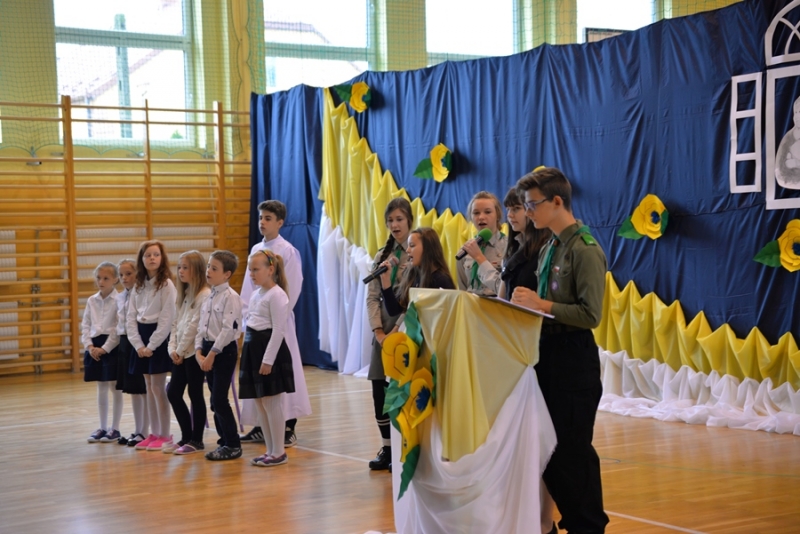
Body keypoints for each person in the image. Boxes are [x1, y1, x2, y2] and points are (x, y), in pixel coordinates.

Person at [511, 167, 609, 533]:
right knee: (547, 449)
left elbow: (591, 314)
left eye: (532, 204)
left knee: (572, 451)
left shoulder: (585, 249)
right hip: (546, 353)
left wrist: (541, 305)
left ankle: (588, 526)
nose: (527, 211)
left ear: (557, 201)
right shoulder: (550, 246)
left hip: (573, 356)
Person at [498, 186, 557, 534]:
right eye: (510, 209)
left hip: (536, 350)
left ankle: (545, 520)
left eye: (519, 208)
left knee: (541, 442)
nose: (514, 215)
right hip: (514, 350)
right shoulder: (515, 249)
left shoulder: (542, 252)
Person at [239, 200, 311, 448]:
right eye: (261, 217)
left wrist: (273, 316)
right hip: (256, 324)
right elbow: (248, 287)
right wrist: (247, 317)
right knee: (258, 376)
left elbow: (292, 286)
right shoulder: (256, 249)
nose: (262, 222)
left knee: (279, 374)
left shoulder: (287, 251)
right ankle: (262, 426)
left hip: (277, 322)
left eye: (268, 218)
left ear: (280, 222)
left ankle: (288, 427)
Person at [364, 198, 412, 471]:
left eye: (399, 219)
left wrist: (395, 330)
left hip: (405, 327)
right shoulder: (383, 255)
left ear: (409, 221)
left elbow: (414, 297)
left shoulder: (416, 251)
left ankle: (404, 446)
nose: (394, 225)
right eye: (390, 220)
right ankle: (387, 448)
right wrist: (379, 331)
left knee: (402, 389)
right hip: (383, 330)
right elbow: (372, 297)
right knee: (379, 388)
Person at [240, 249, 295, 467]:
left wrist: (268, 360)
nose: (251, 274)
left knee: (271, 402)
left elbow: (279, 330)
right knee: (260, 402)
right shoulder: (256, 294)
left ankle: (279, 451)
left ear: (270, 269)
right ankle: (270, 450)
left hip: (269, 352)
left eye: (256, 269)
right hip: (254, 351)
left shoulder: (277, 295)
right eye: (250, 270)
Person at [126, 240, 177, 452]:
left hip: (158, 339)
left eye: (156, 254)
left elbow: (167, 318)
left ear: (162, 258)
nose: (152, 258)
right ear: (142, 259)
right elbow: (130, 317)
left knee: (158, 388)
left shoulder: (167, 285)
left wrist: (152, 345)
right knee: (148, 387)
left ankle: (165, 435)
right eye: (148, 255)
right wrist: (138, 345)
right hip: (141, 337)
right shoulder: (138, 285)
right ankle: (154, 433)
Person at [196, 250, 243, 461]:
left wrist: (212, 354)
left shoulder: (231, 297)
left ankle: (233, 444)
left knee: (219, 399)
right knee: (215, 402)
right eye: (208, 266)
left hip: (223, 351)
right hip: (207, 349)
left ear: (227, 274)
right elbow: (201, 326)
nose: (208, 271)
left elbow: (227, 330)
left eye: (214, 268)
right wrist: (199, 351)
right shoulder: (209, 295)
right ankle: (224, 440)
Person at [166, 250, 211, 455]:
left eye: (185, 267)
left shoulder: (204, 295)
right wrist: (172, 349)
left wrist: (181, 350)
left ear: (197, 270)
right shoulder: (184, 294)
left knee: (195, 394)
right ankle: (186, 436)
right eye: (179, 267)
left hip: (193, 354)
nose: (181, 271)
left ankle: (197, 440)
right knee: (173, 392)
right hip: (180, 353)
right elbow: (175, 324)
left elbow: (194, 327)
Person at [83, 261, 123, 443]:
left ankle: (115, 428)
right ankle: (102, 427)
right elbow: (85, 325)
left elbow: (117, 327)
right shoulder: (91, 300)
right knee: (101, 386)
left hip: (111, 346)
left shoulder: (119, 300)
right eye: (98, 278)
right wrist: (90, 346)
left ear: (115, 279)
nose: (101, 281)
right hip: (95, 345)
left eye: (106, 278)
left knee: (115, 387)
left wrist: (105, 348)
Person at [378, 227, 456, 318]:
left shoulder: (441, 280)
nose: (407, 250)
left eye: (412, 245)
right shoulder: (412, 275)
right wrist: (386, 280)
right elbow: (394, 310)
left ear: (428, 249)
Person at [114, 258, 149, 447]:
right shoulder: (121, 296)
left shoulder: (141, 293)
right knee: (133, 390)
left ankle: (145, 431)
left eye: (128, 274)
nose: (124, 278)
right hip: (125, 343)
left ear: (137, 274)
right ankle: (138, 430)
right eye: (121, 275)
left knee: (143, 390)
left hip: (138, 342)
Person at [457, 191, 507, 296]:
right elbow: (463, 288)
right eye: (476, 213)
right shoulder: (465, 250)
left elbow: (507, 288)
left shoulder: (508, 247)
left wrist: (479, 257)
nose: (481, 217)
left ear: (497, 215)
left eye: (487, 212)